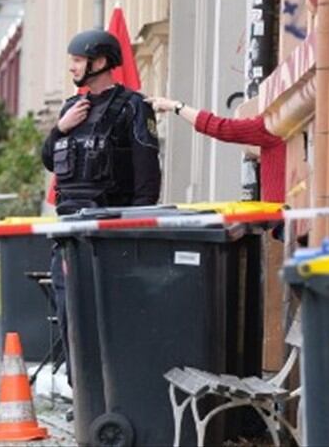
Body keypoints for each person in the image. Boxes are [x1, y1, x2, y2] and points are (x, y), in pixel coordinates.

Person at [41, 29, 161, 394]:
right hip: (68, 235)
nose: (73, 67)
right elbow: (49, 160)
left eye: (78, 60)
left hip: (111, 235)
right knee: (69, 312)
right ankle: (83, 391)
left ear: (100, 62)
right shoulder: (69, 109)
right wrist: (59, 130)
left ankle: (117, 390)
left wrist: (135, 231)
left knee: (112, 318)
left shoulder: (132, 107)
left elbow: (147, 177)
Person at [144, 97, 286, 202]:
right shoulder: (294, 115)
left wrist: (176, 106)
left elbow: (221, 128)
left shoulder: (276, 123)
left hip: (282, 215)